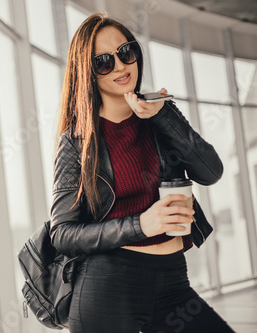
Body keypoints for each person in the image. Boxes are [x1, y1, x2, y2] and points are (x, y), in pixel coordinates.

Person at [49, 13, 235, 333]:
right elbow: (63, 234)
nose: (121, 66)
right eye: (104, 62)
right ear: (88, 73)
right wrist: (142, 225)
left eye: (126, 52)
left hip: (175, 282)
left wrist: (164, 115)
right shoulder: (77, 141)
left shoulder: (162, 116)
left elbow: (210, 171)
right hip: (109, 287)